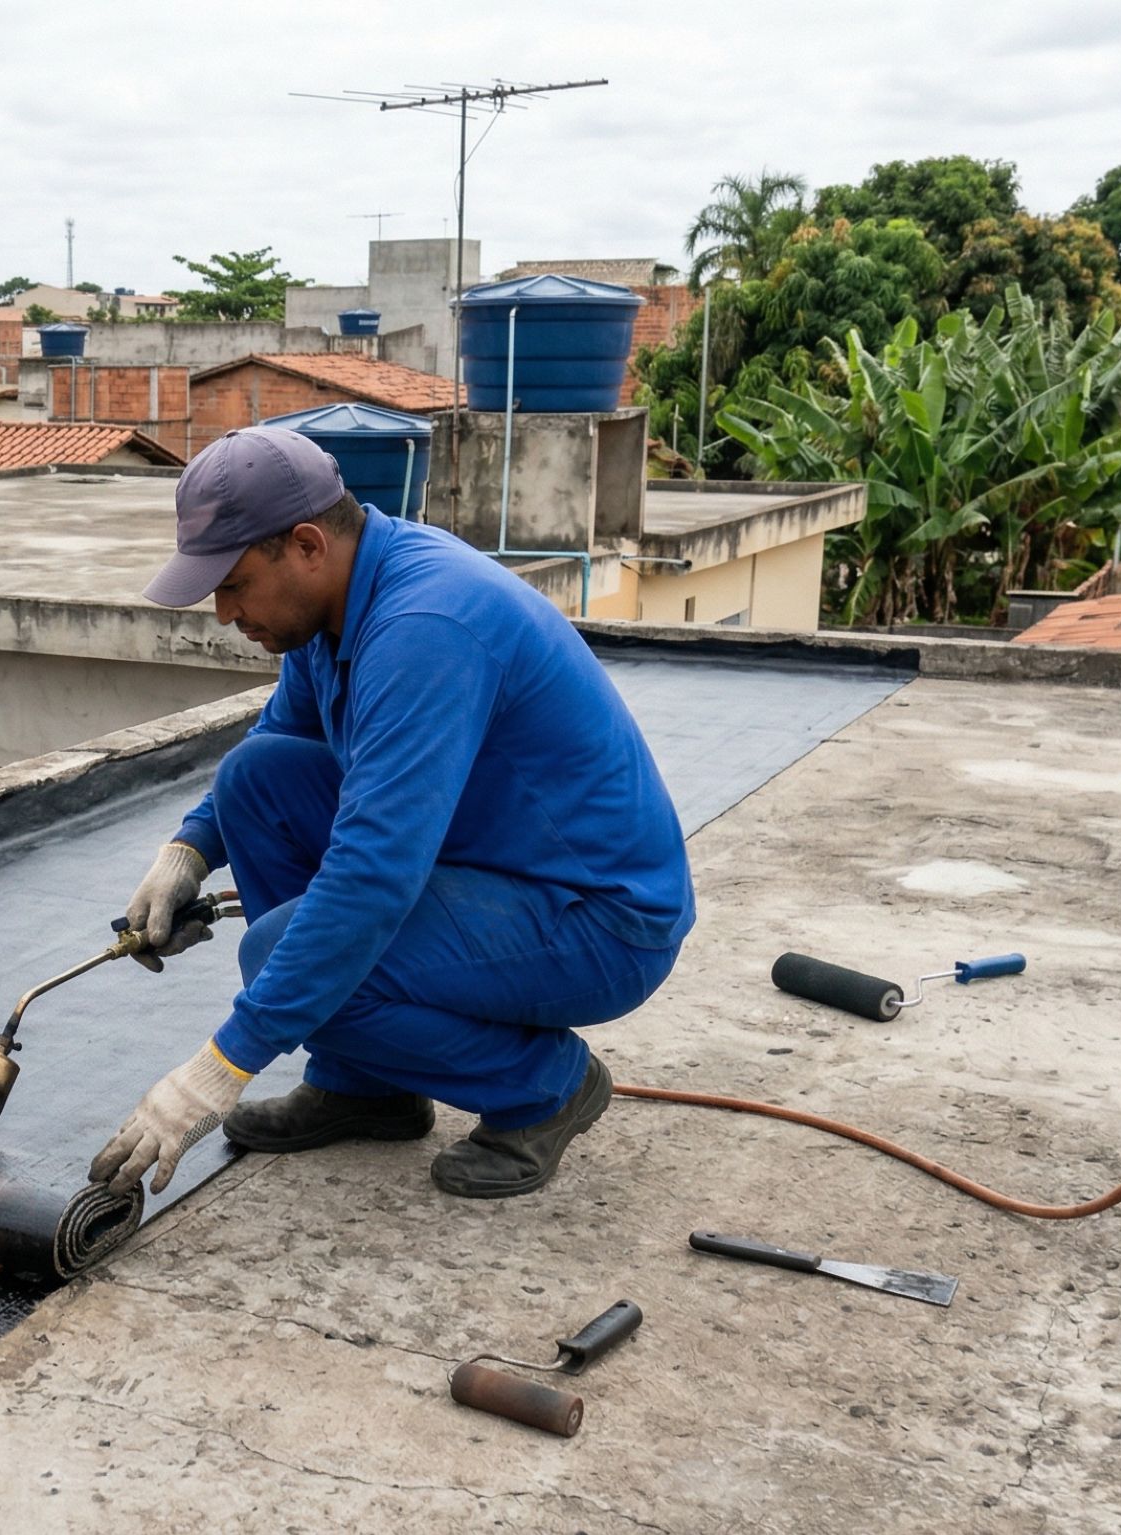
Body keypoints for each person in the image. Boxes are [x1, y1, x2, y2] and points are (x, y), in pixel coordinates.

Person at [88, 427, 693, 1201]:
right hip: (496, 861)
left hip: (599, 919)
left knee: (278, 955)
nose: (224, 611)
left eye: (234, 583)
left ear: (307, 545)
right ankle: (365, 1083)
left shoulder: (423, 628)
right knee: (255, 781)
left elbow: (372, 877)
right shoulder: (335, 606)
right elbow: (280, 739)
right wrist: (187, 852)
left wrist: (222, 1065)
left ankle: (547, 1086)